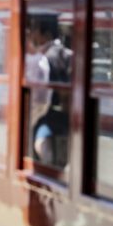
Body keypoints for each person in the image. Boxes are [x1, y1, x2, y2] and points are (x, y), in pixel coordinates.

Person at [25, 13, 71, 168]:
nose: (30, 34)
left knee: (39, 142)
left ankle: (47, 170)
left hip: (50, 116)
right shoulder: (66, 53)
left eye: (33, 30)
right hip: (69, 115)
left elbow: (40, 97)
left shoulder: (44, 59)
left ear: (44, 33)